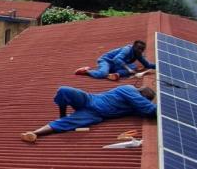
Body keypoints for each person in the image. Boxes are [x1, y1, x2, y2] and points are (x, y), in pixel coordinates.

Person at [22, 84, 157, 143]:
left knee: (67, 123)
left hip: (95, 114)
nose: (143, 101)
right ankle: (62, 114)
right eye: (145, 99)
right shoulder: (129, 89)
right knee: (64, 90)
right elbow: (149, 109)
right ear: (141, 94)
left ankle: (34, 133)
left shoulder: (135, 107)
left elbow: (148, 111)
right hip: (90, 99)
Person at [74, 39, 155, 81]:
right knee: (102, 74)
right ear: (134, 46)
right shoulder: (127, 49)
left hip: (116, 66)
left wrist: (159, 65)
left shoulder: (138, 54)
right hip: (106, 61)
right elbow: (116, 59)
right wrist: (128, 69)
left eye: (142, 49)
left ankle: (113, 75)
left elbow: (147, 64)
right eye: (139, 48)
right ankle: (86, 71)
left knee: (134, 68)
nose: (140, 51)